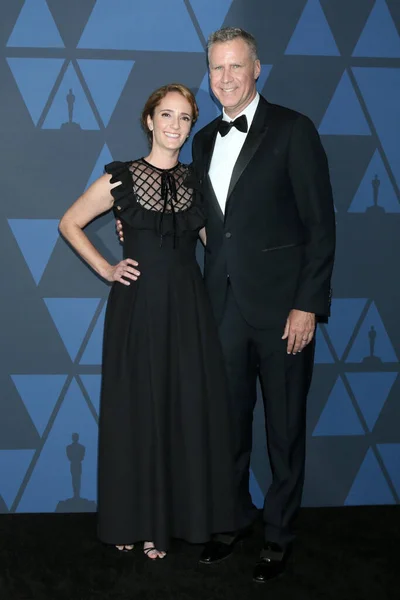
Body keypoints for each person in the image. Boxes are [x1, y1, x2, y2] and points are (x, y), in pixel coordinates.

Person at [119, 27, 336, 581]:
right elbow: (202, 222)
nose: (227, 77)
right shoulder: (202, 139)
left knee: (283, 429)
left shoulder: (293, 129)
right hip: (219, 307)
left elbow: (320, 225)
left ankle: (279, 535)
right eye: (217, 68)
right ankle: (232, 522)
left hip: (284, 309)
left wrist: (307, 304)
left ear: (256, 68)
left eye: (236, 66)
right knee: (227, 426)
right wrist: (137, 227)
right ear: (209, 75)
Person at [58, 83, 236, 560]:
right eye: (167, 115)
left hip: (188, 311)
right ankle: (130, 520)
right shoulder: (121, 178)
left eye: (184, 118)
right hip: (136, 311)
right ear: (149, 120)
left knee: (181, 411)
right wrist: (107, 268)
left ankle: (165, 526)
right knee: (137, 411)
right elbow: (69, 222)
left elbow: (213, 243)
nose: (175, 126)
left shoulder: (197, 181)